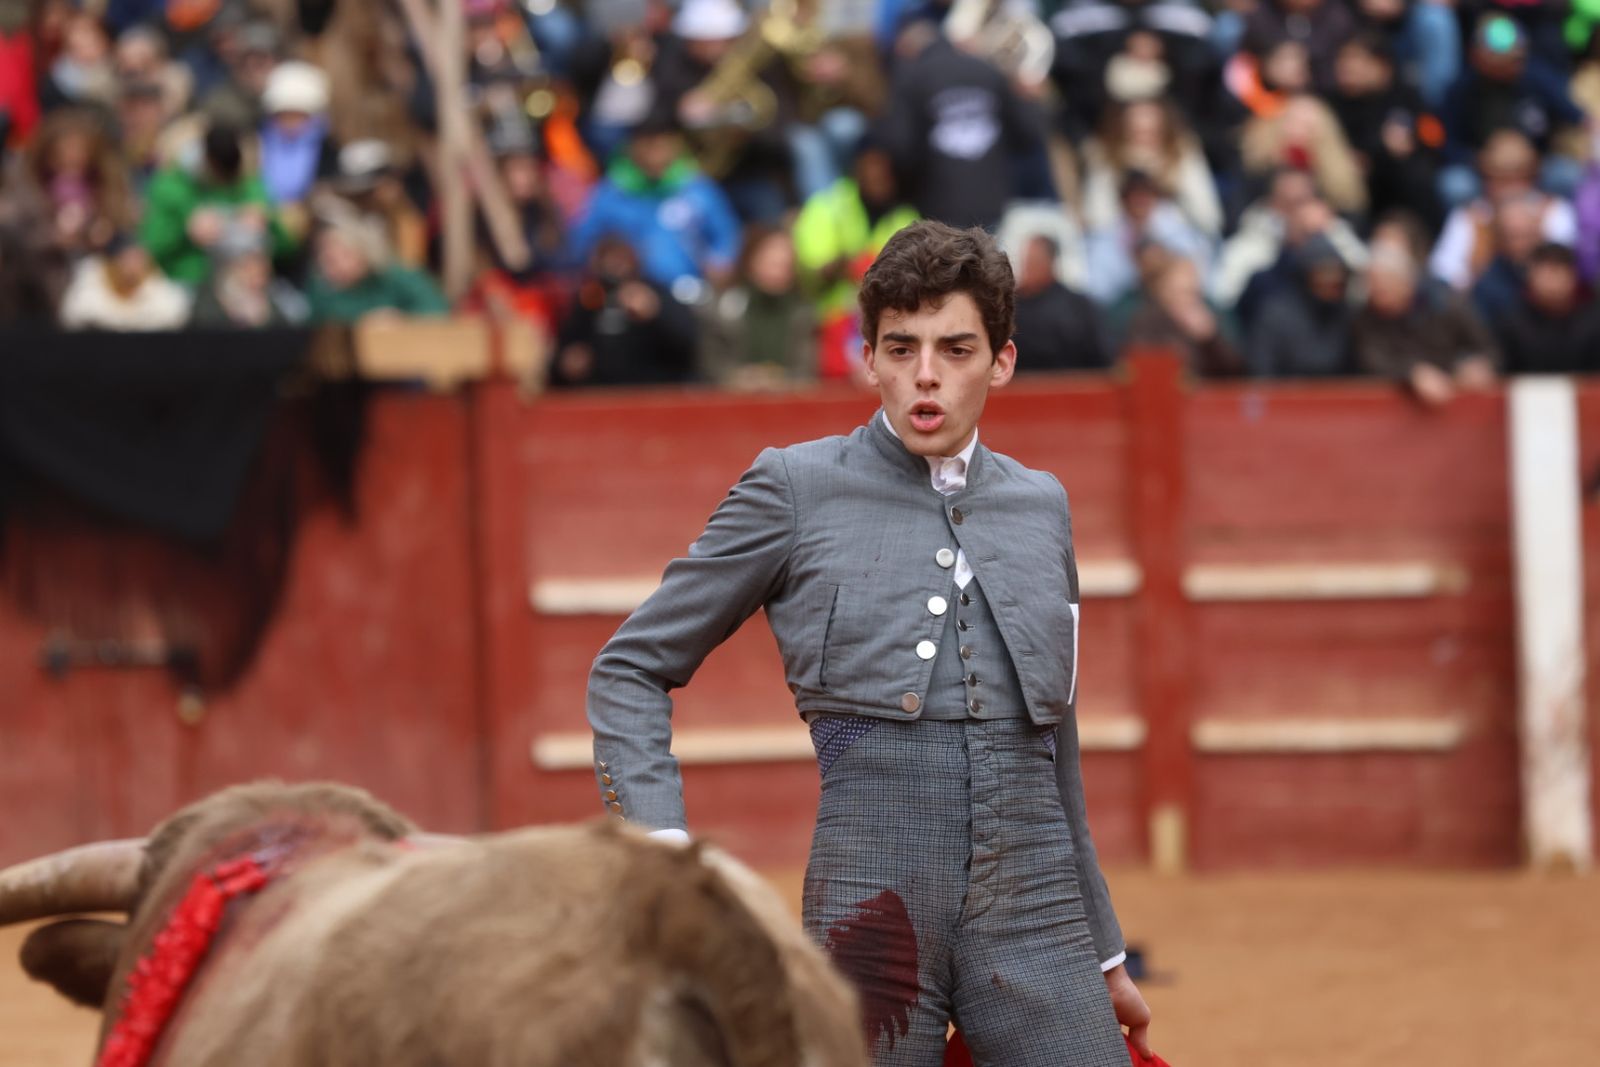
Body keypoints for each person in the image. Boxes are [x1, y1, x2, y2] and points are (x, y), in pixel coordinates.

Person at [586, 220, 1151, 1067]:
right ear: (869, 358)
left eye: (956, 349)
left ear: (1002, 361)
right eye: (902, 347)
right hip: (868, 913)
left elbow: (1053, 742)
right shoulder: (794, 488)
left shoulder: (1043, 506)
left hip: (1038, 915)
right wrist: (667, 859)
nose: (927, 375)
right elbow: (629, 667)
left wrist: (1103, 950)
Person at [1353, 243, 1499, 405]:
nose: (1377, 291)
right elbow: (1372, 361)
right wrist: (1412, 372)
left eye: (1384, 283)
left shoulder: (1446, 304)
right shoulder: (1366, 318)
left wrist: (1475, 365)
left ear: (1406, 282)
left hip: (1457, 400)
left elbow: (1488, 349)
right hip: (1398, 409)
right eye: (1372, 285)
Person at [550, 234, 696, 388]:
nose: (614, 267)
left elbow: (688, 344)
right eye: (608, 260)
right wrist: (569, 361)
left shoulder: (656, 294)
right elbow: (566, 351)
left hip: (652, 391)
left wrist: (656, 311)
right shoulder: (590, 299)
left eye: (620, 260)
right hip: (600, 394)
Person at [697, 224, 817, 388]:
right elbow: (710, 364)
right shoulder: (725, 307)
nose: (778, 272)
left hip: (787, 401)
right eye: (772, 263)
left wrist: (778, 381)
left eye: (785, 265)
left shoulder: (803, 313)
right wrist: (739, 378)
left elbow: (806, 369)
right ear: (751, 262)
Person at [1244, 233, 1357, 377]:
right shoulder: (1275, 315)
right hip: (1285, 395)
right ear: (1306, 277)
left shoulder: (1347, 314)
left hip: (1341, 396)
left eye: (1336, 282)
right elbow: (1261, 369)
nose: (1330, 283)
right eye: (1322, 276)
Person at [1010, 233, 1113, 372]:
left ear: (1050, 262)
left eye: (1034, 262)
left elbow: (1101, 358)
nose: (1027, 270)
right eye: (1025, 263)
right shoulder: (1012, 309)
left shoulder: (1079, 307)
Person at [1494, 242, 1600, 372]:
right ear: (1530, 276)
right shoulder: (1511, 323)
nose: (1552, 283)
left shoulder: (1593, 322)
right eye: (1546, 274)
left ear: (1573, 277)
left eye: (1558, 273)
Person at [58, 232, 190, 330]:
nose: (132, 266)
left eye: (137, 259)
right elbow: (74, 314)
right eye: (126, 258)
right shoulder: (91, 282)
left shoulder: (156, 286)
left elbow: (174, 313)